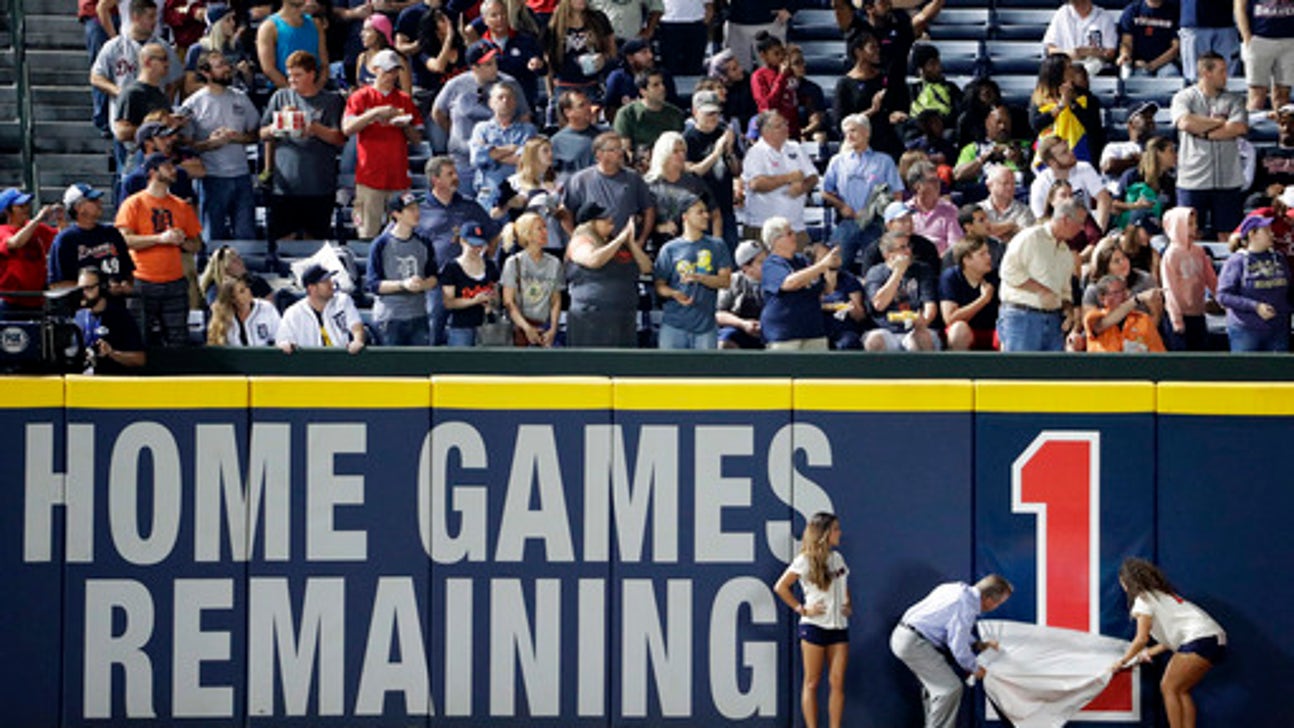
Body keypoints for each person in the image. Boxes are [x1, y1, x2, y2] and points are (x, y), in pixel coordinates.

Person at [1111, 557, 1228, 728]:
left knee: (1169, 688)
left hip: (1199, 638)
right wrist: (1147, 653)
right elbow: (1172, 640)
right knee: (1181, 691)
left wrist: (1122, 661)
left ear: (1126, 581)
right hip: (1215, 640)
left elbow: (1141, 638)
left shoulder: (1143, 600)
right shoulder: (1163, 596)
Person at [890, 575, 1013, 728]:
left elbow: (952, 628)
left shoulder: (955, 588)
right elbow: (958, 645)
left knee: (936, 690)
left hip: (906, 636)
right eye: (998, 603)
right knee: (949, 689)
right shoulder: (966, 605)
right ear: (989, 600)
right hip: (915, 643)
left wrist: (978, 645)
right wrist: (975, 668)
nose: (996, 606)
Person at [115, 154, 205, 346]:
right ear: (153, 172)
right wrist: (159, 239)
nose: (174, 170)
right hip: (142, 279)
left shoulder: (181, 206)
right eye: (167, 166)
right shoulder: (134, 203)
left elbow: (196, 244)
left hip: (175, 281)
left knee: (178, 341)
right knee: (138, 338)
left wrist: (182, 241)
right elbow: (124, 241)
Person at [259, 50, 345, 250]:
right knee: (283, 241)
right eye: (289, 75)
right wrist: (276, 126)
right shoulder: (280, 97)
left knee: (316, 243)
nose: (292, 80)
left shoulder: (331, 101)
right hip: (285, 187)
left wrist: (313, 128)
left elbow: (339, 138)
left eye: (297, 75)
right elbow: (262, 133)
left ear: (311, 74)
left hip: (319, 186)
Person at [772, 512, 851, 728]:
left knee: (837, 682)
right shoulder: (804, 560)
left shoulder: (837, 559)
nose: (839, 533)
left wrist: (847, 603)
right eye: (835, 529)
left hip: (838, 627)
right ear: (824, 533)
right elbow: (781, 587)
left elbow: (843, 584)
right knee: (812, 682)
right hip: (814, 627)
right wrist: (803, 609)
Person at [415, 156, 501, 345]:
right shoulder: (419, 208)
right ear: (435, 180)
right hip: (436, 282)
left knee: (467, 336)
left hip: (469, 283)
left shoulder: (470, 206)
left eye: (455, 173)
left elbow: (494, 233)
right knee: (433, 330)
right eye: (450, 174)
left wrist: (486, 258)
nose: (456, 177)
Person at [180, 48, 260, 242]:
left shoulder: (240, 97)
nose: (227, 69)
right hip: (211, 177)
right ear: (206, 72)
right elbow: (185, 146)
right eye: (220, 66)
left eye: (226, 64)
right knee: (212, 234)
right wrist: (211, 144)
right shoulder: (193, 104)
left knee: (246, 234)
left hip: (241, 175)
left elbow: (255, 133)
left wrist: (236, 138)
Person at [344, 48, 424, 238]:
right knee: (367, 233)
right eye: (387, 70)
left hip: (398, 178)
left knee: (401, 234)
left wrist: (405, 125)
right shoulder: (360, 97)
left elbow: (417, 138)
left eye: (395, 71)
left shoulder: (404, 99)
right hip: (369, 177)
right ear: (375, 69)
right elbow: (347, 128)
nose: (391, 75)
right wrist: (374, 113)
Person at [433, 41, 528, 196]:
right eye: (488, 64)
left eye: (495, 62)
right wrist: (456, 135)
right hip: (463, 160)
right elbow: (438, 113)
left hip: (500, 162)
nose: (494, 67)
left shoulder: (510, 84)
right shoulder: (455, 85)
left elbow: (524, 116)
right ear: (474, 68)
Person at [1171, 51, 1248, 240]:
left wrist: (1204, 132)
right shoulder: (1184, 97)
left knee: (1228, 235)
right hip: (1193, 179)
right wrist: (1220, 122)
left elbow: (1238, 127)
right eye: (1221, 71)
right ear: (1206, 73)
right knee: (1190, 234)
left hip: (1227, 179)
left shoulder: (1234, 99)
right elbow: (1185, 122)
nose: (1226, 76)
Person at [997, 200, 1088, 352]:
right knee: (1019, 366)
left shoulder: (1066, 252)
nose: (1082, 228)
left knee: (1051, 368)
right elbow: (1008, 271)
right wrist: (1041, 290)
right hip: (1022, 317)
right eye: (1080, 222)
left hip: (1054, 321)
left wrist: (1068, 310)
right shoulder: (1030, 237)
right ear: (1065, 219)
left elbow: (1065, 291)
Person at [821, 113, 901, 273]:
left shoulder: (884, 161)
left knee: (874, 270)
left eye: (853, 131)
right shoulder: (837, 161)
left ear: (867, 132)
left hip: (875, 224)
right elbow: (825, 192)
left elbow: (897, 194)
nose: (849, 136)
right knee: (837, 268)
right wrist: (842, 206)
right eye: (846, 132)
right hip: (847, 223)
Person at [564, 202, 651, 347]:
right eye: (604, 218)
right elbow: (593, 260)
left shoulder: (617, 244)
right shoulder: (580, 241)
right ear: (591, 223)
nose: (610, 220)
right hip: (592, 316)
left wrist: (630, 243)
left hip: (623, 315)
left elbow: (646, 267)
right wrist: (620, 239)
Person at [652, 195, 733, 349]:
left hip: (706, 325)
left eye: (706, 211)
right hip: (674, 324)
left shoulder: (717, 246)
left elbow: (725, 281)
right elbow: (659, 285)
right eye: (700, 212)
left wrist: (700, 278)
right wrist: (673, 293)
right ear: (685, 217)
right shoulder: (669, 249)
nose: (706, 216)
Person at [560, 131, 655, 248]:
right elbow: (565, 212)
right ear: (599, 154)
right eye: (613, 150)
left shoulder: (633, 178)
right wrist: (575, 238)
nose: (620, 153)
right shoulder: (580, 180)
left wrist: (642, 240)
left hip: (626, 247)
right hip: (592, 247)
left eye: (620, 149)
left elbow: (649, 209)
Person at [366, 192, 438, 346]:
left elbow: (434, 276)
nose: (417, 213)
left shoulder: (424, 242)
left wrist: (423, 284)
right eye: (411, 209)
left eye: (417, 208)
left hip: (419, 315)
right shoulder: (381, 244)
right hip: (389, 317)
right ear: (396, 214)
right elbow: (373, 284)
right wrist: (403, 285)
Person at [742, 110, 818, 245]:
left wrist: (803, 187)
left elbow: (813, 176)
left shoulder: (795, 147)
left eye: (785, 124)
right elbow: (756, 184)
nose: (785, 128)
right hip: (763, 228)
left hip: (795, 226)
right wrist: (788, 178)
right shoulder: (756, 152)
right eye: (779, 126)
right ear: (765, 131)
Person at [760, 216, 837, 351]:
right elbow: (790, 283)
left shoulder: (803, 261)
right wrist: (822, 265)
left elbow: (827, 289)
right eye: (789, 233)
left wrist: (831, 268)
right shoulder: (771, 264)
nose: (794, 236)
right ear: (776, 240)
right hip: (784, 333)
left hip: (813, 331)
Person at [1217, 215, 1292, 352]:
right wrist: (1255, 306)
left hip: (1278, 328)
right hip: (1246, 329)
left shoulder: (1279, 258)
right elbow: (1223, 296)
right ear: (1252, 234)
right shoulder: (1237, 261)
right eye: (1266, 230)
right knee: (1247, 366)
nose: (1272, 234)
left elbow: (1289, 289)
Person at [48, 183, 135, 293]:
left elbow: (127, 270)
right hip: (82, 303)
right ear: (79, 208)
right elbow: (56, 284)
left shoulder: (111, 233)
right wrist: (98, 288)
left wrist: (126, 284)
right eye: (93, 200)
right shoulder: (66, 239)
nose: (100, 203)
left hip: (115, 302)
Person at [683, 90, 741, 253]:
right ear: (695, 112)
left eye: (716, 113)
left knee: (729, 256)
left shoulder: (724, 133)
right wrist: (716, 153)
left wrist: (729, 151)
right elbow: (695, 172)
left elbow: (737, 170)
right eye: (708, 114)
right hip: (700, 209)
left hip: (725, 206)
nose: (713, 118)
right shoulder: (688, 139)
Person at [834, 31, 907, 160]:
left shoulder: (884, 78)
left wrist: (895, 114)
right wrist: (872, 110)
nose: (877, 51)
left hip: (887, 138)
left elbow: (896, 104)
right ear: (859, 52)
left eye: (878, 47)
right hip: (860, 141)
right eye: (872, 47)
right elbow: (843, 124)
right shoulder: (845, 84)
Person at [863, 231, 939, 351]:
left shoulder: (922, 270)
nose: (908, 251)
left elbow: (930, 306)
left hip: (917, 328)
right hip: (886, 330)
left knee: (919, 338)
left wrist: (923, 322)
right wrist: (898, 272)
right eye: (902, 248)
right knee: (874, 340)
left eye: (909, 246)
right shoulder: (876, 273)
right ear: (888, 254)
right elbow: (879, 305)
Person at [645, 131, 718, 251]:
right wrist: (659, 228)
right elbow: (639, 221)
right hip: (659, 248)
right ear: (664, 153)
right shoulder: (649, 185)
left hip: (695, 248)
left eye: (683, 151)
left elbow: (715, 213)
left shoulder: (694, 182)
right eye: (675, 151)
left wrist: (716, 244)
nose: (681, 155)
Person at [469, 83, 538, 210]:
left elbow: (526, 160)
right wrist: (511, 149)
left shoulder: (528, 130)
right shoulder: (481, 129)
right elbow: (477, 158)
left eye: (509, 97)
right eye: (500, 97)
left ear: (515, 103)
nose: (505, 101)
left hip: (520, 193)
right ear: (491, 103)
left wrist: (492, 154)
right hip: (489, 192)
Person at [1029, 55, 1105, 169]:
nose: (1073, 70)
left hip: (1082, 152)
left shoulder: (1085, 96)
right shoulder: (1039, 99)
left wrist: (1072, 103)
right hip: (1051, 153)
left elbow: (1093, 126)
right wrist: (1060, 107)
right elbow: (1036, 125)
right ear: (1057, 72)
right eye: (1069, 67)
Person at [501, 212, 564, 347]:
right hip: (521, 326)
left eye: (545, 227)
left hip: (545, 325)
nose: (545, 232)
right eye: (539, 229)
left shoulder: (554, 263)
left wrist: (553, 329)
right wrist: (527, 328)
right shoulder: (514, 263)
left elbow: (555, 299)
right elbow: (509, 301)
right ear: (527, 234)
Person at [1160, 207, 1218, 351]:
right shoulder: (1170, 255)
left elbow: (1211, 279)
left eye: (1195, 223)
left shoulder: (1199, 251)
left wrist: (1222, 299)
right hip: (1180, 315)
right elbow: (1169, 289)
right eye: (1189, 224)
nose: (1194, 227)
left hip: (1198, 313)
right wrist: (1176, 319)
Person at [277, 263, 366, 353]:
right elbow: (283, 339)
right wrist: (285, 344)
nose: (331, 284)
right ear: (312, 288)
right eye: (325, 281)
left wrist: (358, 341)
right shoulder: (293, 313)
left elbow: (356, 326)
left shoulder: (343, 300)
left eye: (330, 279)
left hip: (341, 358)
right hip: (308, 359)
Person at [1030, 136, 1112, 231]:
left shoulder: (1084, 168)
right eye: (1064, 152)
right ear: (1052, 163)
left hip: (1086, 227)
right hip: (1058, 231)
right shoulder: (1040, 184)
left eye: (1068, 148)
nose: (1071, 153)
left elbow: (1104, 198)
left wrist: (1098, 231)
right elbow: (1041, 219)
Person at [440, 223, 502, 347]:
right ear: (462, 242)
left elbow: (497, 297)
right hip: (460, 326)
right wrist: (474, 300)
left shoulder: (490, 266)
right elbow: (448, 302)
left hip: (486, 326)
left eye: (480, 245)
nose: (477, 249)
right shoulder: (451, 268)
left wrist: (492, 301)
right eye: (472, 245)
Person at [0, 188, 60, 315]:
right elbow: (14, 243)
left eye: (27, 205)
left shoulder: (33, 227)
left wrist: (61, 219)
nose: (26, 209)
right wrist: (38, 219)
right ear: (7, 211)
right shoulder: (3, 230)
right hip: (11, 301)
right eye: (20, 206)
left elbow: (61, 238)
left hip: (36, 299)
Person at [75, 267, 147, 372]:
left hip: (111, 377)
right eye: (80, 289)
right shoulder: (77, 317)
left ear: (102, 287)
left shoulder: (120, 317)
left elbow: (140, 359)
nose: (83, 293)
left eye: (89, 288)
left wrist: (112, 353)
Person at [941, 236, 1000, 351]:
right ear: (966, 260)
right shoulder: (952, 277)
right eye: (982, 254)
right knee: (958, 328)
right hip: (966, 332)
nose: (989, 257)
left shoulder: (995, 277)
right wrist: (983, 300)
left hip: (992, 331)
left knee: (1007, 330)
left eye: (988, 252)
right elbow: (950, 318)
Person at [613, 69, 687, 159]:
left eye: (662, 84)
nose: (662, 88)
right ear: (643, 91)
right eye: (656, 85)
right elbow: (625, 150)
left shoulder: (675, 114)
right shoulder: (627, 114)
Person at [1084, 274, 1167, 352]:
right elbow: (1105, 323)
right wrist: (1137, 299)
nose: (1122, 296)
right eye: (1116, 293)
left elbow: (1157, 353)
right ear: (1102, 299)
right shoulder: (1094, 318)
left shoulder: (1142, 320)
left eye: (1124, 291)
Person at [256, 0, 328, 90]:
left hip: (315, 90)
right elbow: (269, 69)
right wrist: (292, 92)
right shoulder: (269, 27)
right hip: (281, 92)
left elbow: (324, 63)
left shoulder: (316, 24)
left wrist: (317, 88)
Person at [1236, 0, 1294, 111]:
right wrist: (1247, 37)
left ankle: (1281, 122)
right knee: (1256, 96)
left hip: (1290, 40)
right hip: (1260, 38)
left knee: (1283, 95)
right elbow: (1239, 6)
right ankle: (1252, 121)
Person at [1043, 0, 1119, 77]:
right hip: (1066, 63)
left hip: (1092, 66)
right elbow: (1050, 49)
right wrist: (1071, 53)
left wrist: (1091, 52)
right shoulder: (1062, 13)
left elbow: (1111, 52)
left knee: (1093, 65)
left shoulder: (1105, 17)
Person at [716, 240, 767, 349]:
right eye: (761, 262)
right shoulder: (734, 281)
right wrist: (743, 324)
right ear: (746, 267)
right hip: (740, 329)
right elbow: (718, 314)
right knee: (725, 341)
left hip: (769, 331)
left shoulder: (776, 280)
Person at [906, 160, 963, 256]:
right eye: (932, 181)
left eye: (938, 180)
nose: (938, 184)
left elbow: (955, 245)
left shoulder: (950, 210)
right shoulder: (905, 211)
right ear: (917, 186)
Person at [206, 277, 283, 347]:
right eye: (242, 291)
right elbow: (215, 344)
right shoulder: (223, 315)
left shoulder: (266, 308)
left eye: (247, 287)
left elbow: (280, 337)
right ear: (233, 299)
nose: (248, 291)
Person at [550, 90, 606, 183]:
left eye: (588, 103)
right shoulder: (557, 142)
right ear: (568, 112)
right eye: (581, 105)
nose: (588, 108)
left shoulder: (605, 134)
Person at [1115, 0, 1181, 78]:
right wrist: (1126, 56)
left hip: (1165, 63)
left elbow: (1175, 48)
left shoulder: (1173, 12)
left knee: (1171, 73)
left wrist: (1151, 65)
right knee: (1137, 77)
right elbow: (1126, 42)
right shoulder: (1133, 10)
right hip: (1138, 63)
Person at [724, 0, 792, 73]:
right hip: (736, 25)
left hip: (771, 23)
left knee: (774, 73)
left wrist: (790, 8)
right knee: (736, 74)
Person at [978, 166, 1036, 244]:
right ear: (990, 186)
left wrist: (992, 230)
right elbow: (976, 236)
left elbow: (1026, 239)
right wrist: (1012, 226)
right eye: (1005, 183)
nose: (1010, 187)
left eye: (1013, 183)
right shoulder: (978, 209)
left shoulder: (1024, 211)